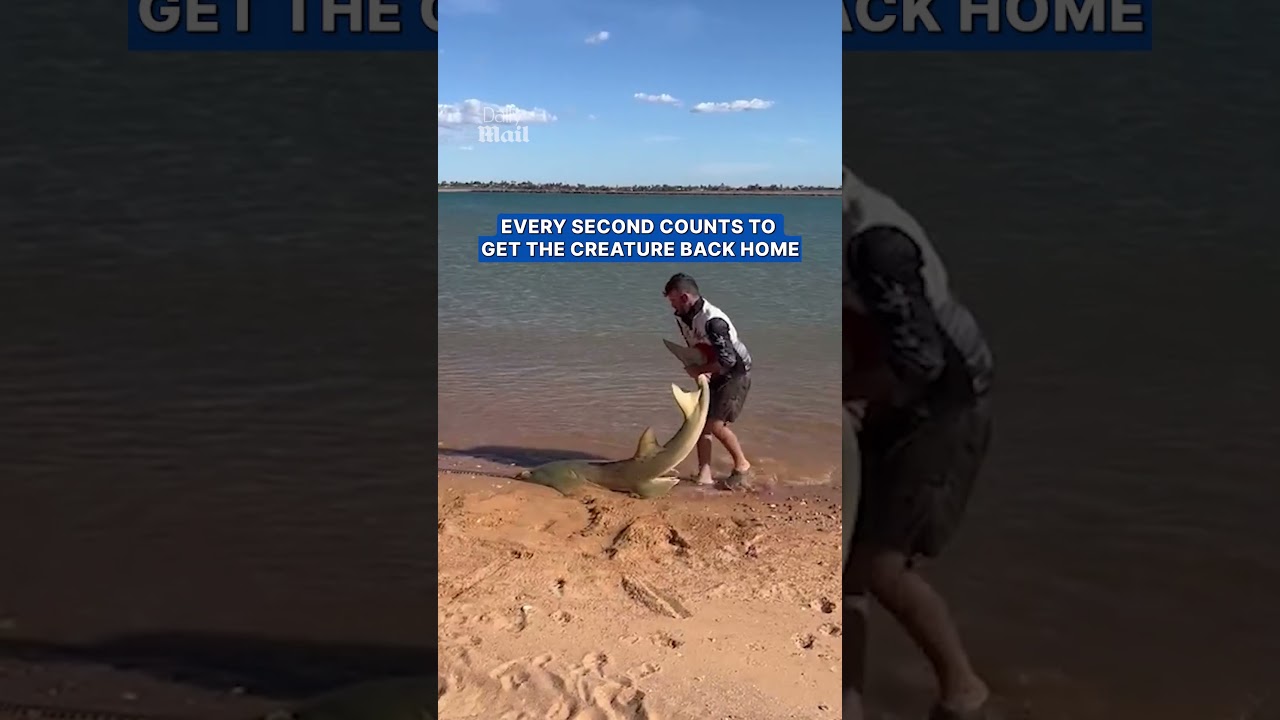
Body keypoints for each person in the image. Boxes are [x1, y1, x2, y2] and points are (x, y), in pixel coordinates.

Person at [841, 166, 997, 720]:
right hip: (885, 403)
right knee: (845, 571)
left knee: (882, 565)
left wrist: (839, 395)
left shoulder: (877, 245)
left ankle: (965, 696)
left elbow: (922, 363)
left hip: (942, 409)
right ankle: (847, 705)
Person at [663, 273, 754, 489]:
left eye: (674, 300)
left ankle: (742, 466)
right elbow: (697, 345)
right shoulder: (683, 316)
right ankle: (704, 474)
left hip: (735, 372)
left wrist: (699, 370)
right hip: (713, 369)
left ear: (685, 297)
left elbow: (729, 361)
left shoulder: (714, 322)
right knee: (701, 422)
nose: (672, 306)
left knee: (715, 424)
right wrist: (699, 367)